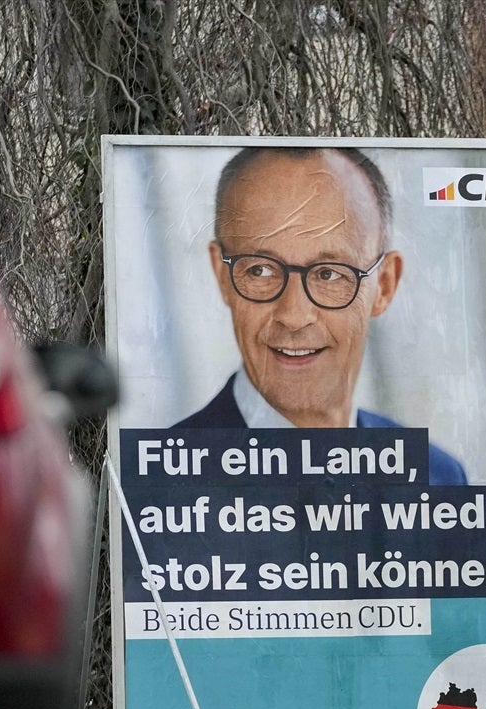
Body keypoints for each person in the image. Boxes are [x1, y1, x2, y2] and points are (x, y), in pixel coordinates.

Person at [167, 145, 467, 485]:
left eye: (329, 274)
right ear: (222, 276)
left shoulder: (438, 478)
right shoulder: (159, 487)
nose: (294, 316)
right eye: (261, 271)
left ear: (384, 285)